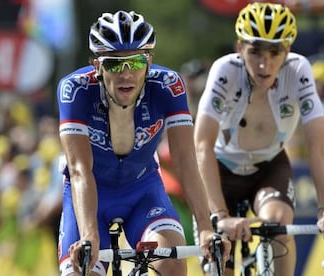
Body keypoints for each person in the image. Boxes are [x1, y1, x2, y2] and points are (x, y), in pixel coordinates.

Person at [56, 10, 230, 276]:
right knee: (83, 271)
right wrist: (89, 235)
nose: (126, 74)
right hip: (92, 193)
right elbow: (80, 169)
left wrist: (205, 227)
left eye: (135, 62)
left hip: (142, 190)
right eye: (114, 64)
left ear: (149, 61)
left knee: (172, 262)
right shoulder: (75, 90)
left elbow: (185, 159)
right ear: (96, 66)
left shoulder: (168, 85)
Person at [193, 3, 324, 276]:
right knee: (220, 259)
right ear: (240, 48)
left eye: (275, 52)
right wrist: (219, 214)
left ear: (287, 50)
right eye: (255, 52)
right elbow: (202, 144)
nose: (265, 64)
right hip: (220, 169)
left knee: (277, 225)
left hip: (268, 166)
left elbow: (318, 146)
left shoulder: (299, 70)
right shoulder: (225, 71)